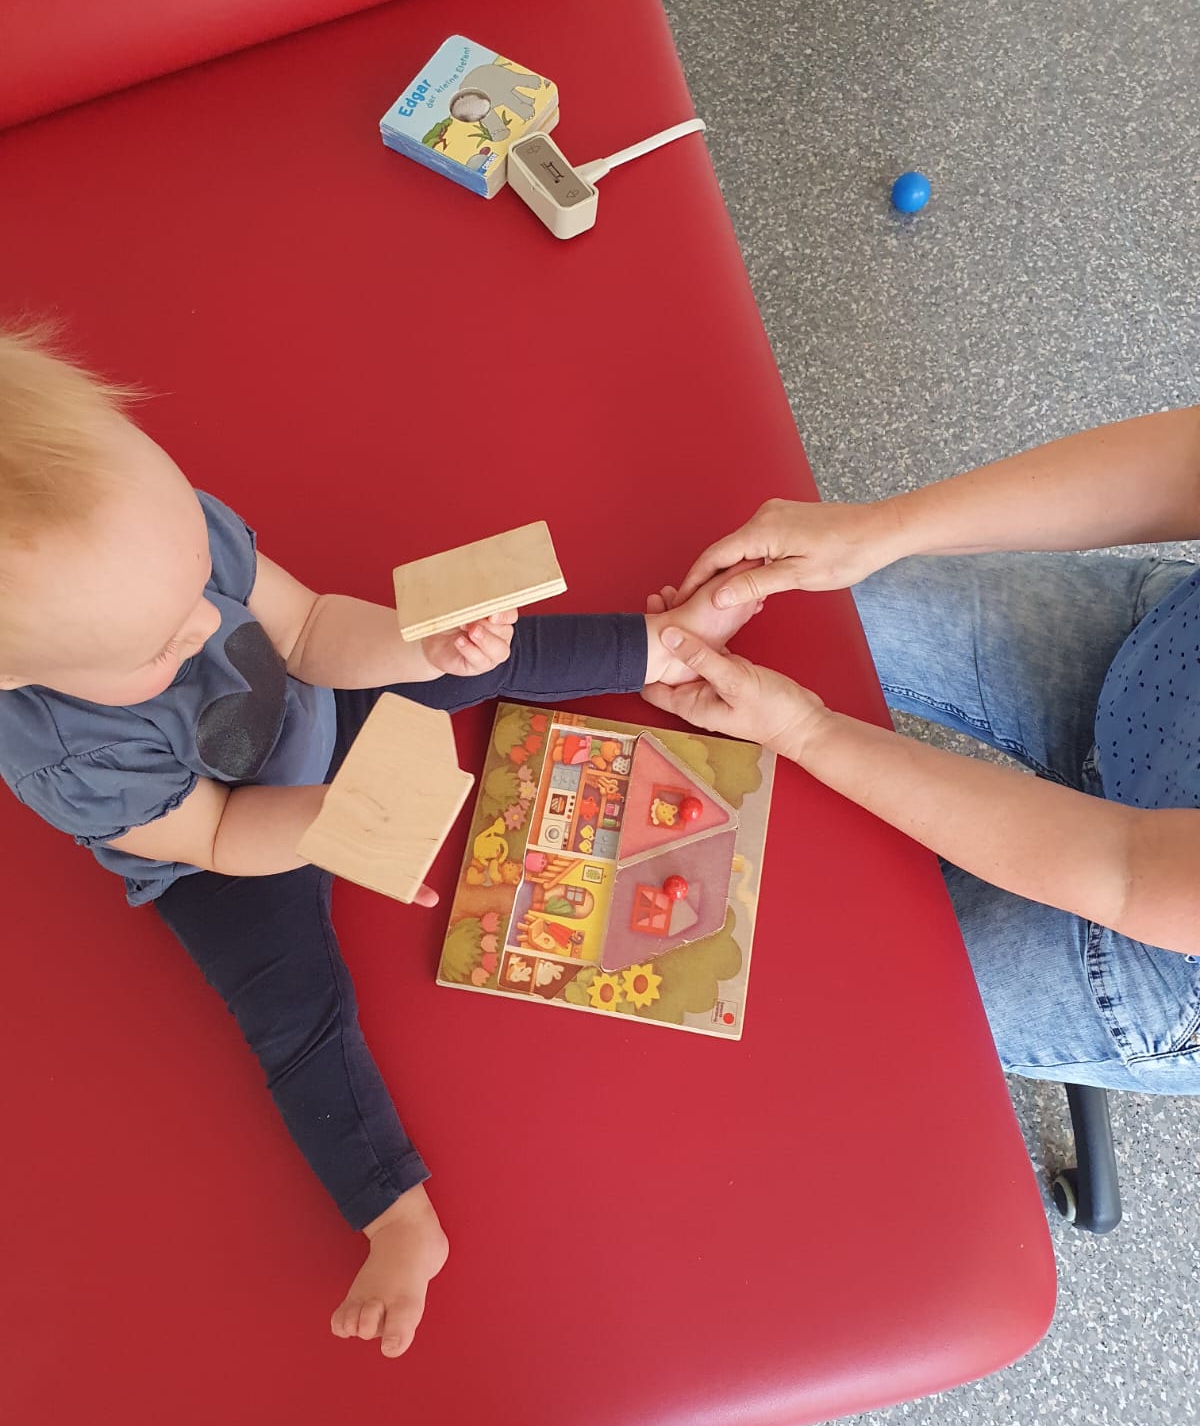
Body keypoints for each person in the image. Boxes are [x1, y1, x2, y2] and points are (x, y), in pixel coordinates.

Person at [0, 327, 758, 1358]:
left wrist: (422, 643)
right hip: (218, 845)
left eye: (198, 584)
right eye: (161, 645)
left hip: (315, 708)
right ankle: (396, 1217)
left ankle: (657, 645)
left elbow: (310, 628)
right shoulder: (65, 754)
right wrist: (343, 819)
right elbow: (216, 831)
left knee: (478, 657)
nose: (202, 625)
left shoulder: (161, 536)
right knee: (294, 1012)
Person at [646, 406, 1200, 1098]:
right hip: (1163, 654)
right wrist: (881, 528)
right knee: (793, 605)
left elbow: (1130, 867)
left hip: (1161, 938)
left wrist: (808, 732)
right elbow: (1186, 463)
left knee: (771, 986)